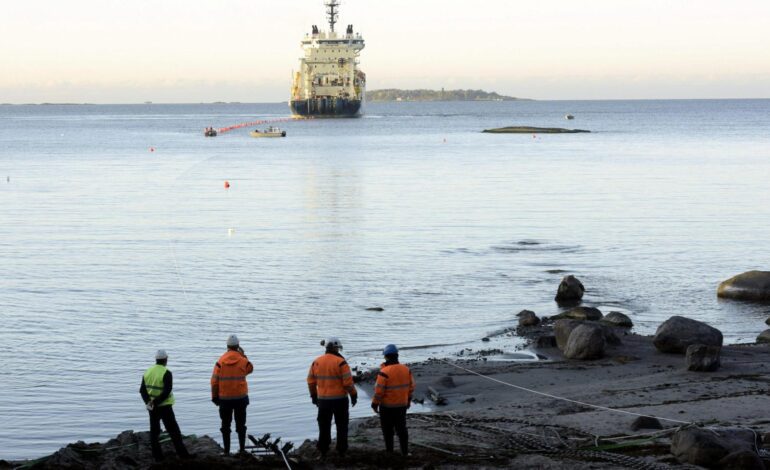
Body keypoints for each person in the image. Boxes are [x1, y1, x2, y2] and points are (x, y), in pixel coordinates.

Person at [307, 337, 358, 457]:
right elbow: (348, 383)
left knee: (324, 426)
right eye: (338, 348)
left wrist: (314, 396)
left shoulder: (316, 362)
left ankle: (323, 451)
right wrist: (353, 395)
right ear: (335, 348)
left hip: (323, 401)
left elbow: (310, 382)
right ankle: (341, 451)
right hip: (340, 400)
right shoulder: (341, 362)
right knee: (341, 426)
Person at [139, 349, 191, 461]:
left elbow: (142, 390)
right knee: (174, 432)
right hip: (165, 407)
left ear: (156, 359)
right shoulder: (166, 373)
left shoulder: (147, 371)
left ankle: (158, 457)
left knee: (154, 432)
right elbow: (166, 391)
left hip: (152, 407)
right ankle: (184, 456)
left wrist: (149, 402)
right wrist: (156, 402)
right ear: (165, 360)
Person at [211, 334, 254, 455]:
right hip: (241, 399)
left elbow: (214, 381)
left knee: (225, 426)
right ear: (238, 346)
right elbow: (250, 369)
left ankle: (226, 451)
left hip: (224, 399)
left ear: (227, 346)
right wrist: (243, 355)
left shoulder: (220, 361)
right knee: (241, 425)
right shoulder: (242, 360)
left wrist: (215, 397)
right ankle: (241, 449)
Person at [371, 344, 415, 456]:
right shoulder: (406, 370)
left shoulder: (384, 372)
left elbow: (379, 392)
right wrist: (408, 400)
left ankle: (389, 451)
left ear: (385, 357)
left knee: (387, 430)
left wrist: (374, 404)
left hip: (387, 407)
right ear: (397, 355)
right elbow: (411, 387)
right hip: (402, 405)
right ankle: (405, 452)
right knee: (402, 429)